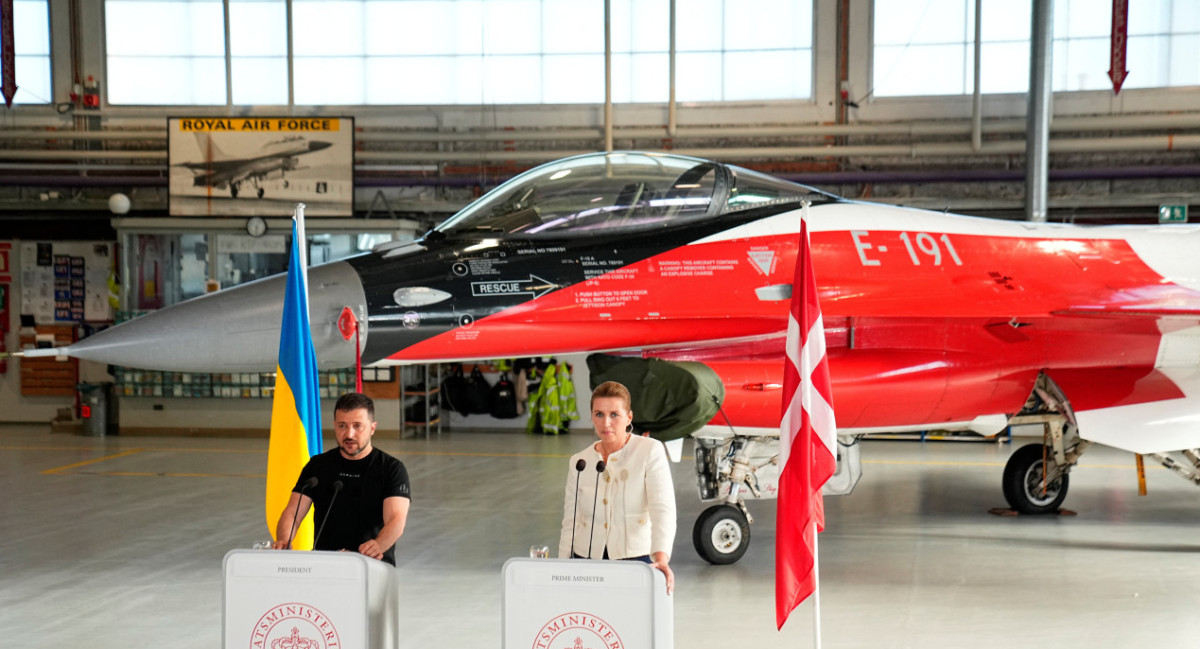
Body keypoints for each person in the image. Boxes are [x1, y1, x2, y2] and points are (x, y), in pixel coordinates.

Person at [558, 381, 676, 594]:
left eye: (614, 414)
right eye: (599, 414)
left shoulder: (649, 450)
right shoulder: (579, 460)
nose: (606, 423)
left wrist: (661, 557)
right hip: (585, 559)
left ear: (629, 417)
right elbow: (571, 520)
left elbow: (663, 509)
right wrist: (562, 567)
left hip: (635, 559)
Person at [273, 392, 411, 566]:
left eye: (357, 426)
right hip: (326, 564)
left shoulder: (391, 469)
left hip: (373, 564)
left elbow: (396, 520)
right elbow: (293, 512)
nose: (349, 434)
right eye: (342, 426)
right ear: (334, 426)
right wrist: (284, 540)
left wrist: (378, 545)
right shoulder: (317, 465)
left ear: (372, 428)